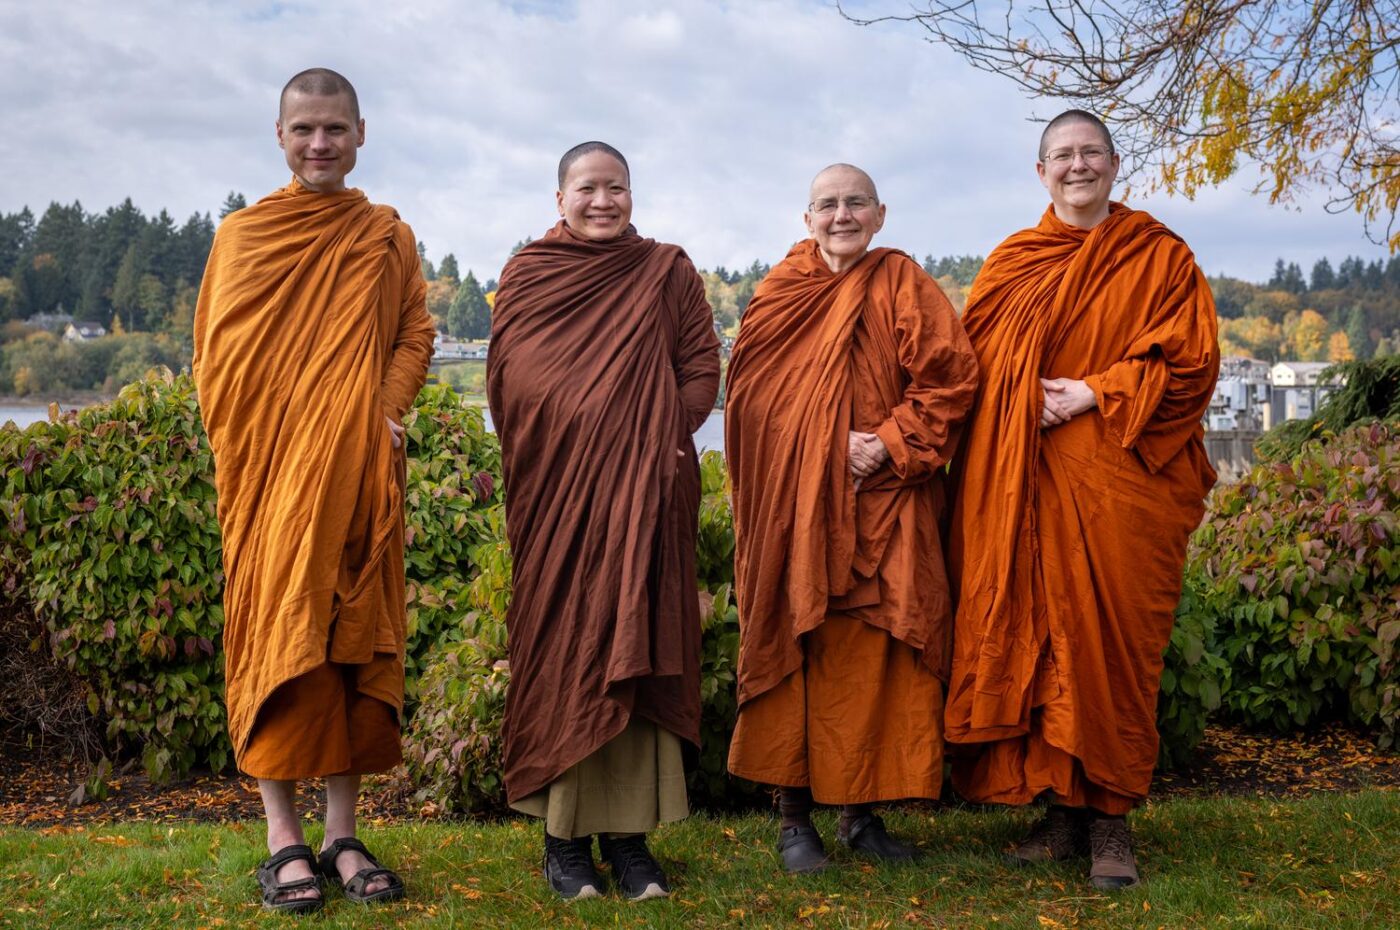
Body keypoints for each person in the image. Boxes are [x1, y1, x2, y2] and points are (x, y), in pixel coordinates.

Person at [945, 110, 1220, 890]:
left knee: (1112, 652)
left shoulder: (1160, 256)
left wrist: (1096, 392)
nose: (1077, 166)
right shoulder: (1013, 263)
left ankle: (1112, 826)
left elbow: (1193, 366)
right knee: (1043, 648)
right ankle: (1062, 818)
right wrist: (1017, 393)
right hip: (1025, 488)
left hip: (1121, 489)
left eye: (1090, 152)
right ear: (1041, 173)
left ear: (1114, 163)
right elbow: (968, 367)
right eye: (1062, 155)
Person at [193, 67, 435, 914]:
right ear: (280, 135)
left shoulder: (384, 237)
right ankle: (281, 840)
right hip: (271, 484)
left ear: (361, 133)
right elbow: (216, 360)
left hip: (359, 477)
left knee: (346, 641)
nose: (321, 143)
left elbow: (415, 329)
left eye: (335, 128)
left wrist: (384, 410)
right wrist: (269, 445)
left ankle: (342, 835)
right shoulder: (244, 237)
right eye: (305, 130)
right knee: (277, 637)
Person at [725, 164, 979, 873]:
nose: (842, 216)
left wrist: (888, 443)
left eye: (856, 203)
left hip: (886, 501)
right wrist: (818, 447)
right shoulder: (779, 296)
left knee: (876, 657)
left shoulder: (902, 282)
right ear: (807, 219)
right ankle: (793, 820)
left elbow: (953, 378)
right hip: (795, 511)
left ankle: (860, 815)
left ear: (880, 214)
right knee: (794, 641)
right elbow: (747, 406)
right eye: (828, 205)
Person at [487, 141, 720, 901]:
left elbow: (700, 368)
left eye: (615, 188)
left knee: (641, 646)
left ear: (631, 194)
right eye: (587, 188)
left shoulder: (666, 270)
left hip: (649, 498)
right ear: (560, 199)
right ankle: (564, 843)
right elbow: (512, 384)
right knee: (569, 649)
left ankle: (631, 843)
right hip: (561, 503)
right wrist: (589, 440)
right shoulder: (530, 275)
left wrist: (653, 442)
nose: (602, 201)